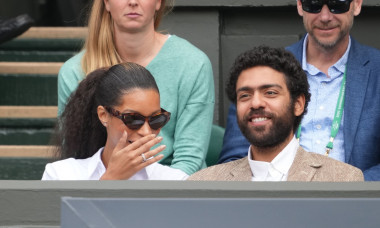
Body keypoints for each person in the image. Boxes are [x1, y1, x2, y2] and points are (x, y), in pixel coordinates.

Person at [219, 0, 380, 181]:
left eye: (337, 4)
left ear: (357, 5)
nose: (325, 16)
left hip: (353, 202)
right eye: (314, 4)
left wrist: (350, 188)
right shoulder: (263, 71)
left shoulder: (376, 70)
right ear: (299, 5)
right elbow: (233, 162)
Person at [57, 0, 215, 175]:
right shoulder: (75, 71)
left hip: (174, 185)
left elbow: (189, 159)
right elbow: (75, 150)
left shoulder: (192, 63)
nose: (132, 2)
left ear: (158, 3)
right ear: (106, 3)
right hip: (100, 181)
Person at [189, 46, 363, 181]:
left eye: (270, 93)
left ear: (298, 104)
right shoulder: (204, 183)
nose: (255, 103)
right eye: (245, 95)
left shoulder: (342, 179)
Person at [42, 62, 188, 180]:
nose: (146, 132)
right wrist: (111, 179)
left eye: (156, 119)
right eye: (133, 119)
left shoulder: (175, 180)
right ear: (104, 115)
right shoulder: (61, 175)